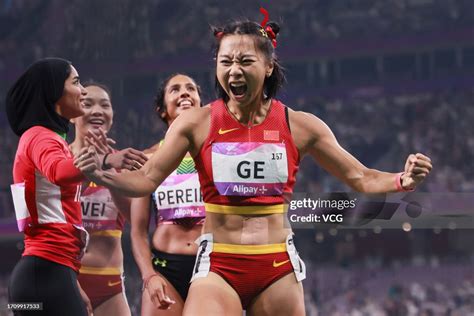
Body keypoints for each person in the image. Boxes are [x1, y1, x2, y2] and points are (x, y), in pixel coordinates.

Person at [75, 18, 433, 316]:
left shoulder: (301, 125)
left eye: (245, 61)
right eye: (225, 61)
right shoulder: (195, 124)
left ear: (268, 66)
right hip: (218, 266)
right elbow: (146, 179)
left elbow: (361, 177)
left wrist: (402, 179)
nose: (233, 70)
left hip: (276, 267)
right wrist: (97, 173)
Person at [6, 58, 92, 316]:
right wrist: (104, 161)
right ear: (54, 90)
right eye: (76, 82)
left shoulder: (41, 137)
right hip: (45, 275)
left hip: (40, 277)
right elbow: (58, 172)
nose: (83, 90)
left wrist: (72, 283)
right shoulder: (40, 136)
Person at [70, 82, 147, 316]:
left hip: (110, 286)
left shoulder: (125, 164)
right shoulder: (57, 158)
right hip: (65, 279)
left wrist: (108, 175)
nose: (97, 110)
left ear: (112, 115)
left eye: (105, 105)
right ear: (73, 115)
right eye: (87, 104)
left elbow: (135, 220)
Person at [130, 74, 204, 315]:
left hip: (211, 268)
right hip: (164, 269)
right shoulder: (147, 160)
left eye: (191, 89)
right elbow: (138, 230)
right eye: (175, 90)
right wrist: (149, 276)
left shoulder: (221, 154)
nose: (184, 93)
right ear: (163, 110)